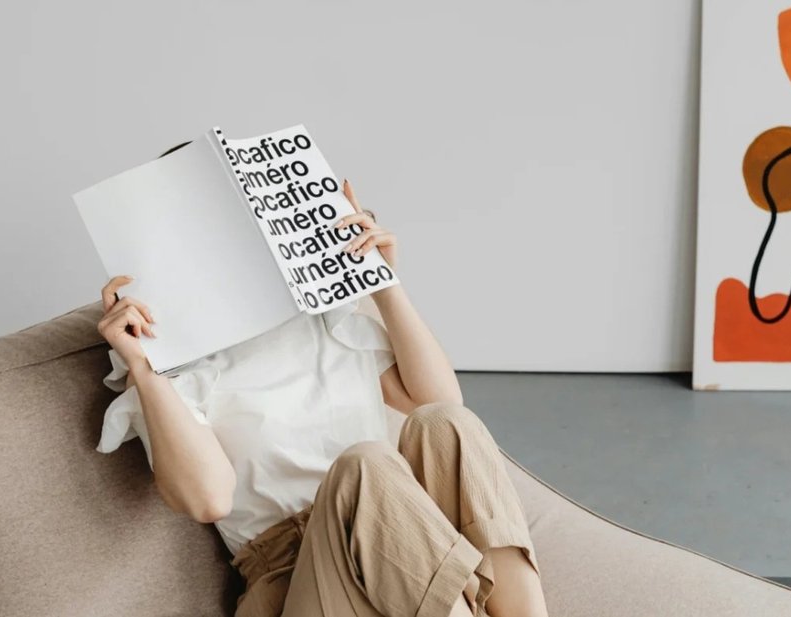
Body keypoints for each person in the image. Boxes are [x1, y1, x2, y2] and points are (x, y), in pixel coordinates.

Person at [94, 171, 549, 617]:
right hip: (296, 579)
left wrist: (383, 284)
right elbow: (207, 500)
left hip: (398, 542)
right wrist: (145, 369)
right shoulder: (170, 370)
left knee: (445, 424)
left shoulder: (323, 321)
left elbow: (437, 401)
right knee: (365, 465)